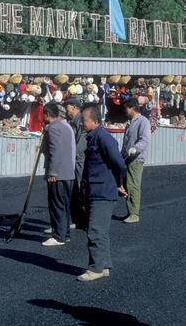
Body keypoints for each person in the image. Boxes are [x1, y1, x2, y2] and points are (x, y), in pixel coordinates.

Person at [78, 106, 127, 282]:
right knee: (101, 231)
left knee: (95, 231)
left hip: (101, 192)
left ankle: (95, 268)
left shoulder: (104, 138)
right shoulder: (93, 137)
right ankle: (104, 265)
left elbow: (119, 164)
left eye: (84, 119)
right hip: (96, 190)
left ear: (95, 121)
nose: (81, 122)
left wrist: (119, 183)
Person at [41, 102, 76, 246]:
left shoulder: (53, 128)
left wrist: (52, 172)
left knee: (57, 204)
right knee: (64, 204)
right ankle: (65, 233)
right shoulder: (66, 127)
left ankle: (58, 236)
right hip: (68, 173)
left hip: (59, 173)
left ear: (47, 115)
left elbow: (56, 151)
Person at [121, 97, 151, 224]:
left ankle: (134, 213)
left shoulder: (143, 121)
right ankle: (130, 211)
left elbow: (145, 139)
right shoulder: (131, 122)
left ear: (132, 108)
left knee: (133, 186)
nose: (125, 111)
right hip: (127, 158)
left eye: (126, 108)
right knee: (127, 185)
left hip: (136, 159)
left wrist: (135, 148)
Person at [65, 98, 88, 230]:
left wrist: (73, 154)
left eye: (68, 106)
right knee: (73, 190)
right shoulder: (72, 121)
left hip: (79, 160)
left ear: (74, 107)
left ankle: (84, 220)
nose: (67, 109)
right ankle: (77, 219)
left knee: (80, 189)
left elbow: (81, 142)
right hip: (73, 160)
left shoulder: (80, 120)